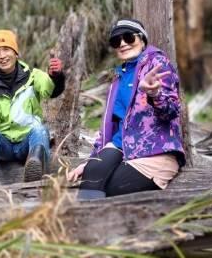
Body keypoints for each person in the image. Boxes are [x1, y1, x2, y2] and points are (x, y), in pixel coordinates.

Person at [67, 19, 185, 200]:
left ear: (142, 39)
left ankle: (96, 224)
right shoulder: (119, 75)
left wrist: (154, 94)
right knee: (92, 175)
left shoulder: (158, 64)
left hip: (153, 151)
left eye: (129, 37)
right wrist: (90, 161)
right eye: (116, 41)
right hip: (120, 145)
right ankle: (86, 225)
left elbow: (171, 111)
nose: (122, 44)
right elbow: (111, 126)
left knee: (113, 189)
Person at [0, 30, 65, 187]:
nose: (2, 56)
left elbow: (49, 90)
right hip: (4, 144)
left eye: (6, 49)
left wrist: (55, 76)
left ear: (16, 52)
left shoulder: (33, 75)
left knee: (41, 130)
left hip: (27, 141)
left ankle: (35, 167)